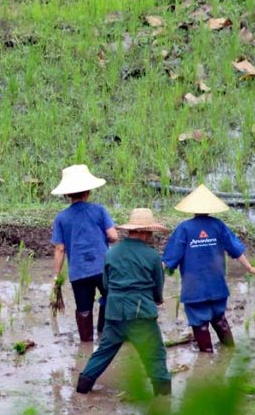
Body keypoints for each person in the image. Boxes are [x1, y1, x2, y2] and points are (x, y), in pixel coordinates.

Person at [76, 209, 171, 397]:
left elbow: (106, 284)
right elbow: (158, 286)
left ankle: (83, 386)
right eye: (150, 232)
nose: (151, 236)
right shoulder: (152, 256)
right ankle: (163, 395)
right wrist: (157, 299)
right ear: (143, 232)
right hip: (140, 312)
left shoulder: (111, 253)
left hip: (114, 311)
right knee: (154, 353)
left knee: (104, 350)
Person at [161, 185, 255, 354]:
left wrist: (153, 277)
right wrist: (250, 268)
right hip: (217, 284)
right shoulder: (218, 226)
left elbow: (169, 259)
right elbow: (236, 250)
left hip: (194, 288)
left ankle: (206, 357)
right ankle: (230, 351)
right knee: (219, 317)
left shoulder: (184, 229)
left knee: (199, 322)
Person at [50, 165, 118, 342]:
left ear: (67, 195)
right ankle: (104, 332)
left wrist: (56, 276)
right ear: (88, 192)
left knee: (84, 307)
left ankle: (86, 343)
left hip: (79, 272)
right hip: (103, 267)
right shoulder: (99, 210)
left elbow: (60, 249)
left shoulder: (61, 218)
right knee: (110, 297)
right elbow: (113, 236)